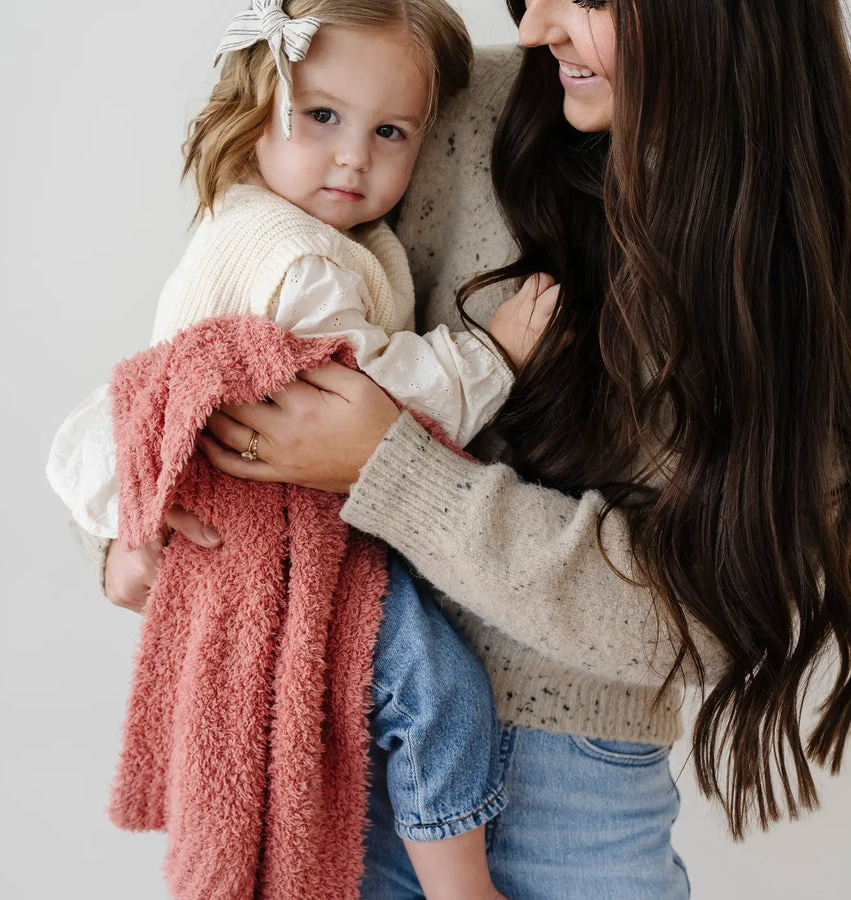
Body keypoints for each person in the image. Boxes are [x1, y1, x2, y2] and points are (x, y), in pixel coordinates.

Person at [100, 0, 851, 897]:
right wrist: (127, 526)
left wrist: (392, 468)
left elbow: (698, 612)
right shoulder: (441, 109)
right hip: (339, 750)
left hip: (581, 794)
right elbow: (208, 332)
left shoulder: (807, 249)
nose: (536, 26)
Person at [46, 2, 564, 897]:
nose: (354, 155)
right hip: (278, 545)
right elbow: (382, 399)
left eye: (390, 130)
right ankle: (463, 884)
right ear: (257, 103)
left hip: (250, 543)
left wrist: (118, 530)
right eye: (322, 116)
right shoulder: (302, 265)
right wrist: (495, 354)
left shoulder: (249, 223)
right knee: (436, 692)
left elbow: (119, 406)